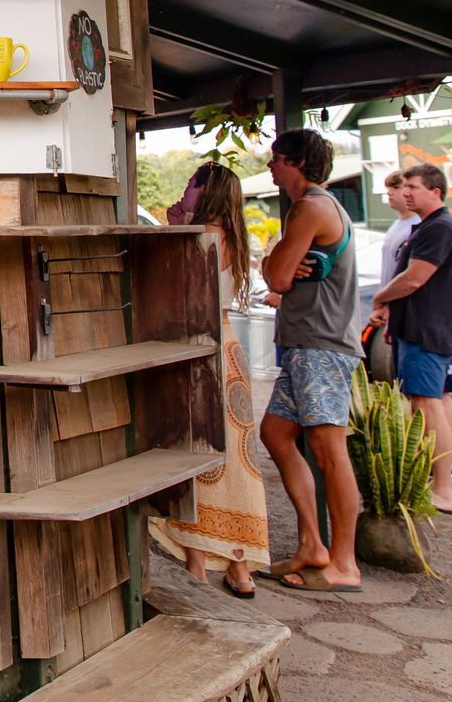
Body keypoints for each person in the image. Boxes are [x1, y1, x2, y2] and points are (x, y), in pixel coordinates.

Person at [150, 163, 270, 597]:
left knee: (198, 452)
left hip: (200, 349)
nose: (183, 192)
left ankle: (197, 562)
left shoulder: (198, 237)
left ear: (204, 192)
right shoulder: (234, 238)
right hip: (230, 349)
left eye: (189, 185)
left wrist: (174, 229)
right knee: (238, 460)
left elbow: (174, 292)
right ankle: (241, 567)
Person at [257, 128, 364, 593]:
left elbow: (278, 277)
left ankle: (344, 563)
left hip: (322, 346)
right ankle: (311, 544)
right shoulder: (322, 208)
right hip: (307, 346)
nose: (271, 167)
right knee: (276, 433)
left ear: (296, 162)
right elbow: (282, 270)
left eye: (276, 159)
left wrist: (271, 261)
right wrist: (275, 261)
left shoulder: (310, 208)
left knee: (328, 449)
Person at [367, 162, 452, 514]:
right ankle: (447, 480)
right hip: (428, 327)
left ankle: (444, 489)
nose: (405, 191)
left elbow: (414, 278)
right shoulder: (430, 227)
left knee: (426, 403)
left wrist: (381, 298)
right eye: (404, 186)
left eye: (413, 187)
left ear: (435, 192)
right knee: (436, 399)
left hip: (428, 330)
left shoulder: (438, 228)